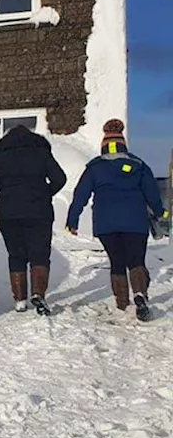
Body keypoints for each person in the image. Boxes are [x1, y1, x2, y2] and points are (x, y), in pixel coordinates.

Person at [66, 119, 166, 322]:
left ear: (104, 145)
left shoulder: (94, 168)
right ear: (123, 144)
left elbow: (81, 194)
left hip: (106, 224)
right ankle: (140, 294)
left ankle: (122, 303)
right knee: (136, 260)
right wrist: (160, 212)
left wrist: (72, 220)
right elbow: (152, 193)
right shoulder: (139, 165)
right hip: (135, 222)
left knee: (117, 262)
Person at [0, 124, 67, 315]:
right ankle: (38, 294)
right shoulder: (41, 154)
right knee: (39, 253)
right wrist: (45, 193)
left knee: (16, 254)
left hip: (8, 213)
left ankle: (19, 300)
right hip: (38, 211)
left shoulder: (1, 159)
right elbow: (60, 178)